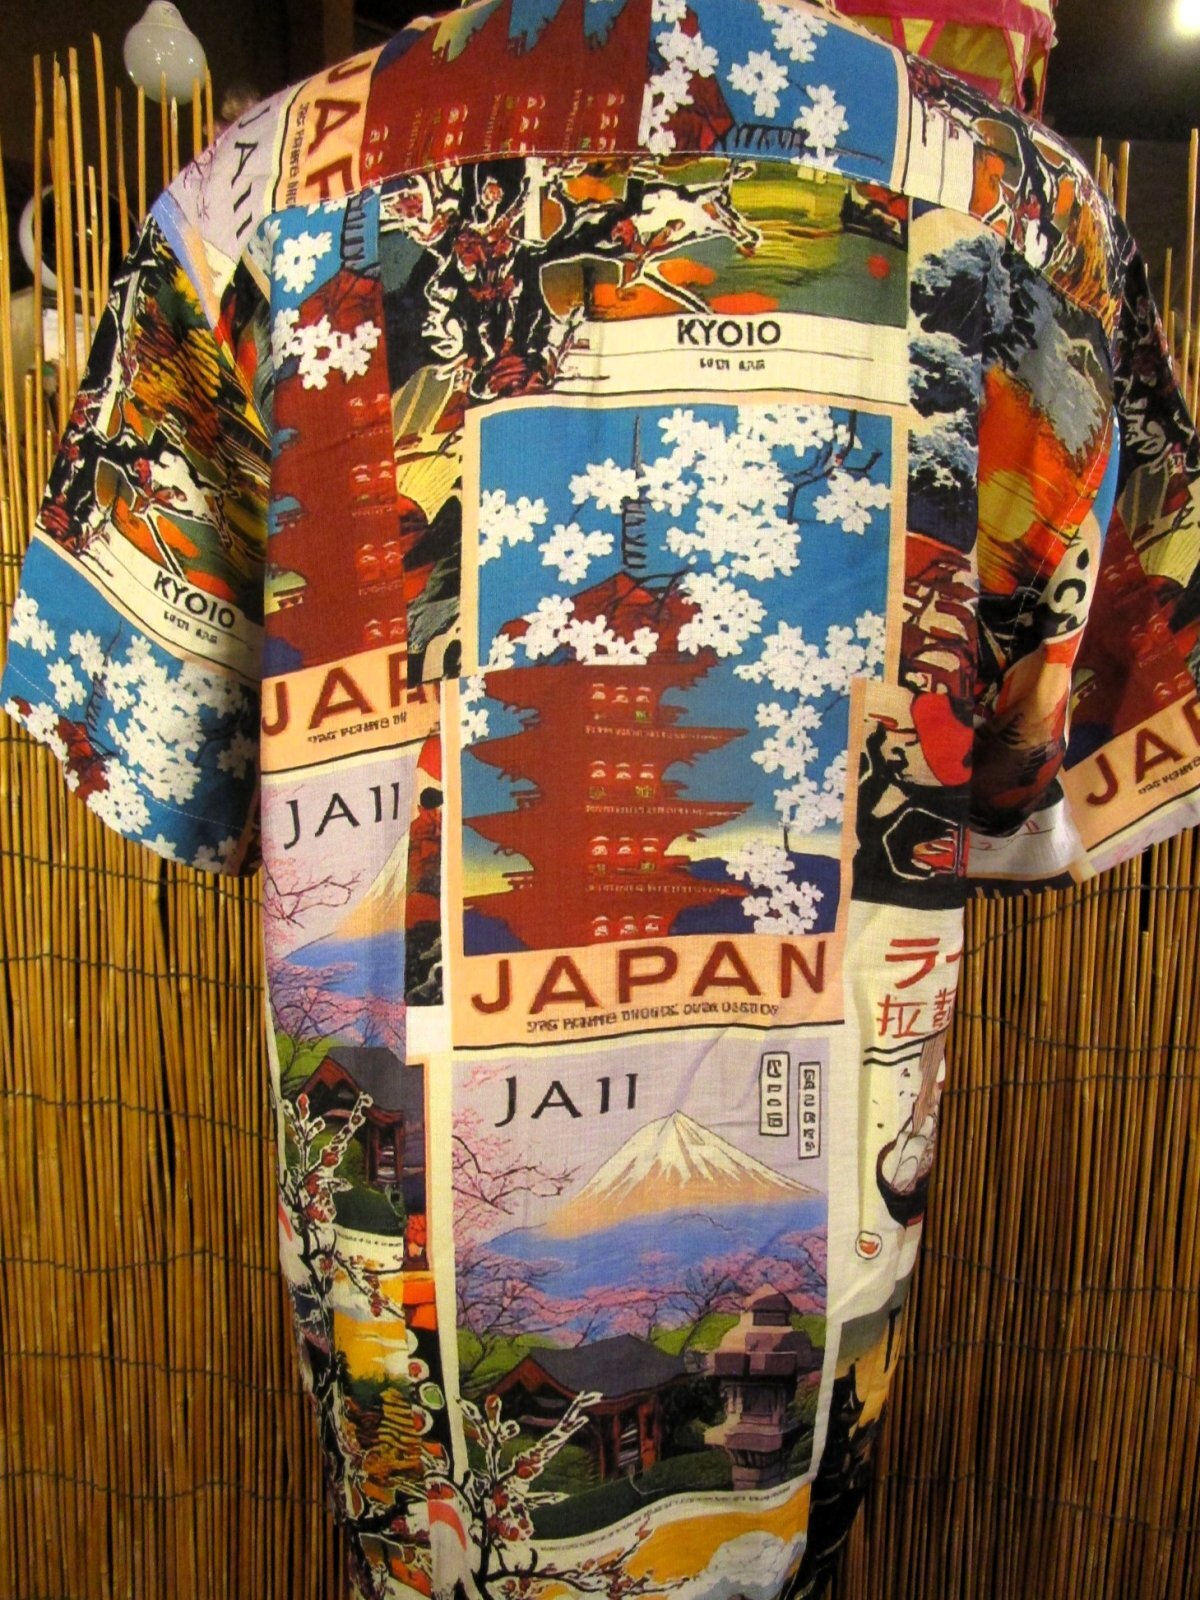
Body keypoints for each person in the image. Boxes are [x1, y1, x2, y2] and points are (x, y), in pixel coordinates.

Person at [3, 1, 1198, 1596]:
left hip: (401, 1253)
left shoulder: (248, 200)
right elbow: (1038, 770)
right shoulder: (1019, 206)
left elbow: (170, 747)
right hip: (825, 1185)